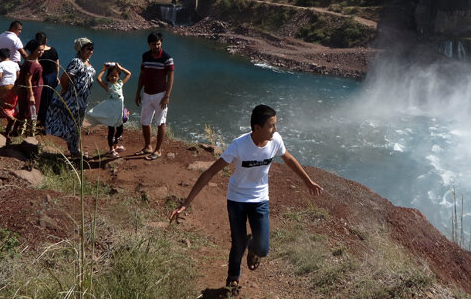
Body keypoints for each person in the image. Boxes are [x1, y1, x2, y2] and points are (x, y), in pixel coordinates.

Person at [169, 105, 322, 293]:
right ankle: (233, 279)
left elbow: (288, 159)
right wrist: (186, 203)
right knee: (237, 242)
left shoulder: (275, 140)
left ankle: (253, 245)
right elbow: (209, 173)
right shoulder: (239, 145)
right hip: (237, 199)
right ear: (257, 127)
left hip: (260, 199)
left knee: (263, 249)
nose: (275, 130)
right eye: (271, 126)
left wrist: (308, 182)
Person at [45, 37, 95, 159]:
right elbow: (65, 78)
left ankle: (75, 149)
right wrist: (65, 90)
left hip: (83, 101)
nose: (90, 51)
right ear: (80, 49)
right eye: (88, 49)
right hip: (74, 100)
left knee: (77, 126)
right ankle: (74, 152)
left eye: (92, 48)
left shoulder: (88, 63)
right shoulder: (76, 62)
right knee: (73, 126)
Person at [134, 32, 174, 160]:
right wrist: (138, 92)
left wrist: (167, 96)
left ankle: (158, 150)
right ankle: (148, 146)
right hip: (147, 93)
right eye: (153, 44)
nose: (156, 47)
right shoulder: (145, 56)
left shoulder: (167, 58)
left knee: (160, 122)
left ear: (161, 43)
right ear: (149, 44)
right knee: (145, 121)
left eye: (158, 44)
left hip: (160, 95)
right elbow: (142, 74)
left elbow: (171, 77)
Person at [86, 62, 132, 157]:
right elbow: (98, 79)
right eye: (111, 76)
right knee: (111, 130)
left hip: (119, 112)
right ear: (108, 76)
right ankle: (111, 150)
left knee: (120, 130)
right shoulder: (108, 85)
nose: (113, 78)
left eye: (115, 76)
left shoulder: (120, 83)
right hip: (112, 112)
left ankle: (115, 146)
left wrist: (120, 67)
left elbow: (129, 74)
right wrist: (104, 69)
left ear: (119, 76)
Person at [10, 40, 45, 137]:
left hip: (34, 90)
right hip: (31, 91)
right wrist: (31, 95)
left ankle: (23, 133)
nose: (41, 52)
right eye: (39, 50)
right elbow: (28, 79)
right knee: (28, 112)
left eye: (42, 50)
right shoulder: (32, 63)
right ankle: (25, 134)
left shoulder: (31, 60)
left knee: (28, 111)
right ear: (33, 50)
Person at [36, 32, 59, 131]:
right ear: (46, 40)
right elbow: (57, 64)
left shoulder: (37, 51)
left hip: (42, 77)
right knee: (48, 99)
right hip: (52, 77)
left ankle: (40, 119)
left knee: (40, 99)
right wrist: (57, 77)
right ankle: (45, 120)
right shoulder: (53, 50)